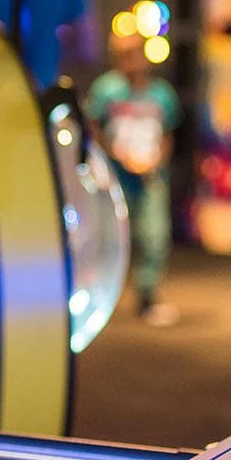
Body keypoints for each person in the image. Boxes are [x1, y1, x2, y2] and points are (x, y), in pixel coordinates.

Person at [85, 33, 183, 325]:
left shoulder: (162, 94)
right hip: (113, 180)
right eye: (122, 54)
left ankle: (146, 298)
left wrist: (154, 162)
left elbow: (168, 134)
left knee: (154, 236)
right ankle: (98, 297)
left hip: (151, 178)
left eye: (134, 53)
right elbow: (93, 130)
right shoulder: (105, 90)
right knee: (105, 238)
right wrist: (114, 155)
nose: (130, 61)